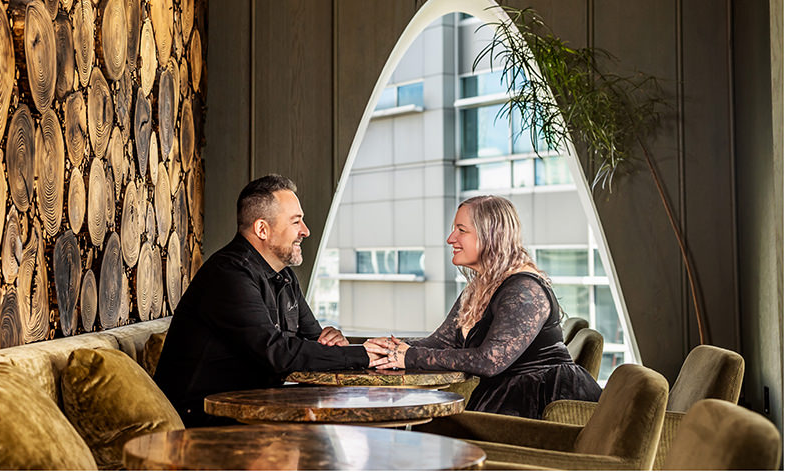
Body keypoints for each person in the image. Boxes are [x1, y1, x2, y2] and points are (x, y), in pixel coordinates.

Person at [153, 174, 377, 426]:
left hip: (251, 410)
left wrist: (334, 343)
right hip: (204, 421)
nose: (305, 231)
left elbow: (313, 339)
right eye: (296, 222)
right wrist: (364, 354)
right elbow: (277, 353)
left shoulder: (286, 278)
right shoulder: (228, 274)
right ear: (262, 229)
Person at [365, 195, 602, 418]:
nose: (450, 239)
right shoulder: (481, 286)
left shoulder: (523, 290)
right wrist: (388, 348)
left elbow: (489, 361)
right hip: (505, 393)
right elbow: (441, 342)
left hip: (536, 402)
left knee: (430, 425)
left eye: (461, 230)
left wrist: (409, 357)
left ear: (491, 236)